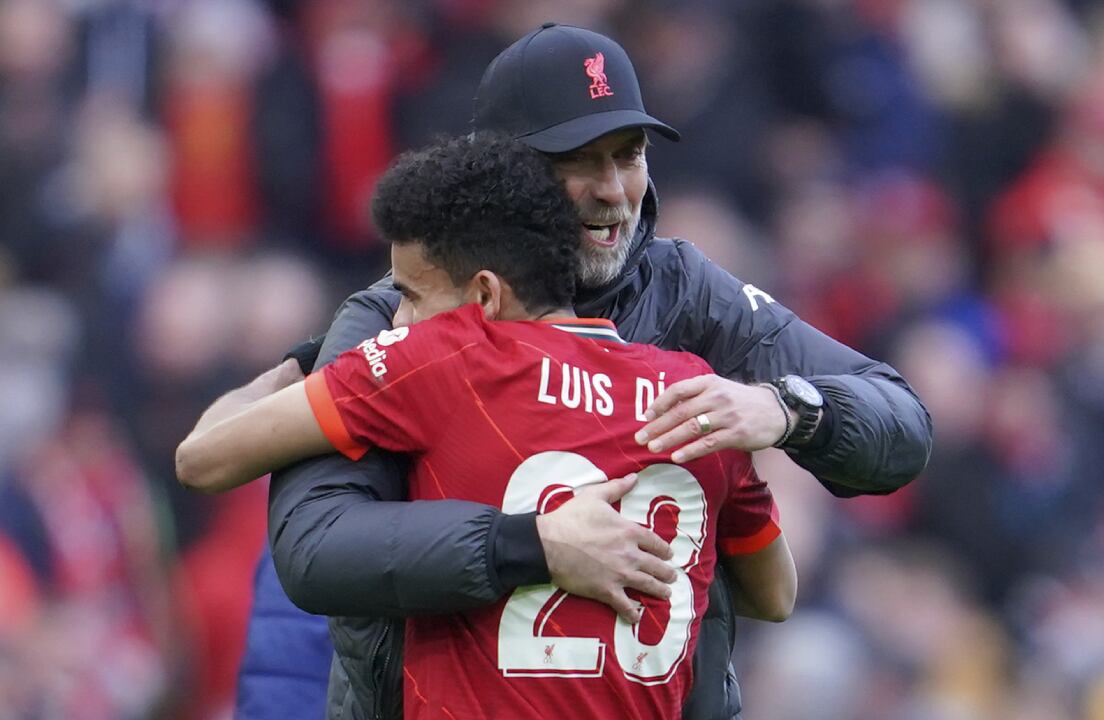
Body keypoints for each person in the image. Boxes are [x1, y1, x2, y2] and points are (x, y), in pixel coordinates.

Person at [235, 23, 932, 720]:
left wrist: (786, 411)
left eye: (629, 156)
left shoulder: (689, 295)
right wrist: (529, 544)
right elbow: (311, 547)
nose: (613, 190)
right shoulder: (401, 314)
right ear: (505, 178)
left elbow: (900, 424)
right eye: (579, 160)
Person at [178, 133, 797, 720]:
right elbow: (775, 596)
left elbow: (202, 458)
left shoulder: (447, 359)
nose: (396, 319)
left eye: (412, 296)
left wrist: (296, 367)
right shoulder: (691, 392)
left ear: (483, 298)